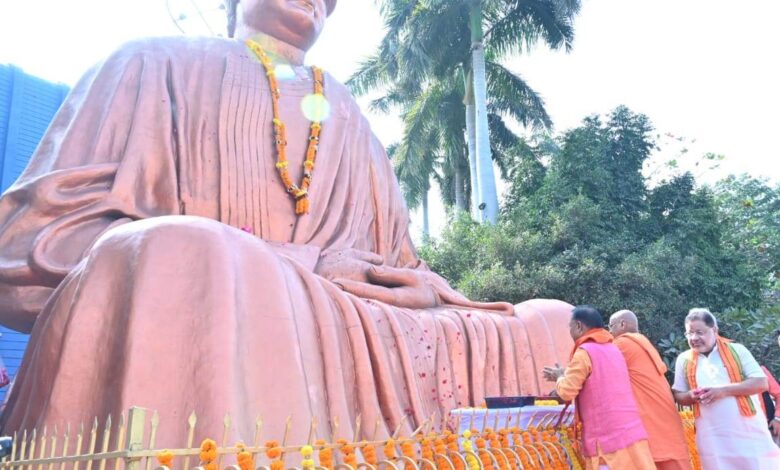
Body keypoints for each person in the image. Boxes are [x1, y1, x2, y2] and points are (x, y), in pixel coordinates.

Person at [0, 0, 574, 446]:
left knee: (558, 325)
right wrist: (297, 264)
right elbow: (26, 252)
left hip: (358, 320)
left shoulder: (346, 110)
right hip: (221, 296)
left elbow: (398, 267)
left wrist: (425, 288)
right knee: (179, 249)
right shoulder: (149, 62)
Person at [543, 305, 655, 470]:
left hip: (607, 439)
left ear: (579, 326)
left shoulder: (584, 352)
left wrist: (560, 377)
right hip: (631, 433)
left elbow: (566, 392)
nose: (570, 332)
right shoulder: (613, 349)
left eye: (571, 327)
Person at [671, 308, 780, 468]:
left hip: (747, 433)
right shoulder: (684, 359)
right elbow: (678, 394)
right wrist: (691, 395)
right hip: (711, 437)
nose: (694, 338)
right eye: (689, 333)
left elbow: (760, 383)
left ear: (714, 330)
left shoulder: (737, 350)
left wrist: (722, 391)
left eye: (699, 332)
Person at [608, 310, 691, 470]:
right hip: (665, 423)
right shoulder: (642, 343)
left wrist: (564, 376)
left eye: (611, 326)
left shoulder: (623, 343)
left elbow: (597, 371)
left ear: (622, 324)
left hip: (651, 422)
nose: (609, 332)